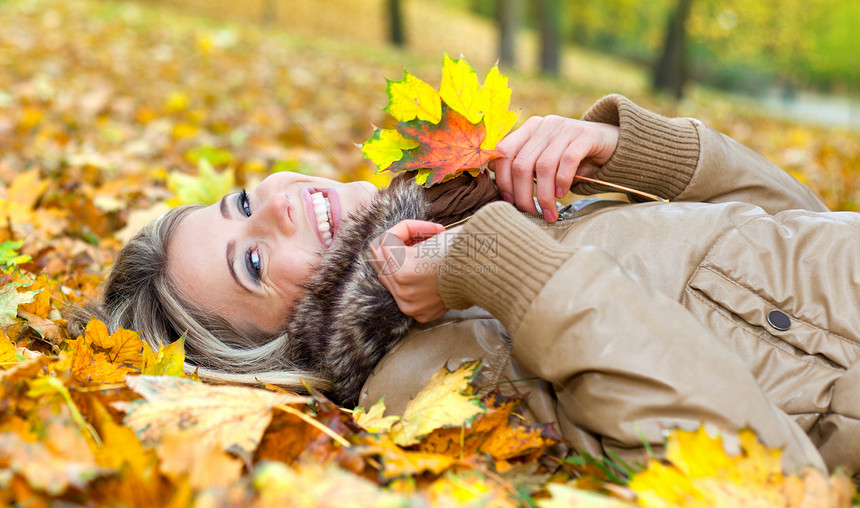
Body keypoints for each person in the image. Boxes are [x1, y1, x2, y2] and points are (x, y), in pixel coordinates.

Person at [69, 94, 860, 483]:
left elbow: (802, 242)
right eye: (251, 261)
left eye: (240, 202)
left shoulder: (465, 208)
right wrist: (500, 265)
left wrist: (633, 155)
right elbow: (759, 475)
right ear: (277, 348)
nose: (275, 204)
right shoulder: (430, 376)